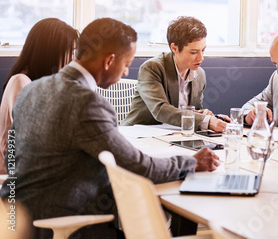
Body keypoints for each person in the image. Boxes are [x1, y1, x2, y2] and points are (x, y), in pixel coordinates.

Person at [0, 18, 220, 238]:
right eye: (126, 64)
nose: (125, 73)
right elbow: (137, 166)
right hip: (62, 223)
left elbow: (13, 154)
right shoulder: (87, 102)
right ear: (109, 61)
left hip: (14, 216)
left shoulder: (33, 88)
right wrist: (191, 162)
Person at [0, 18, 79, 175]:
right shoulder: (21, 82)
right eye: (70, 52)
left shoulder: (38, 82)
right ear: (50, 51)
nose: (73, 59)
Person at [122, 16, 227, 132]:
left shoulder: (199, 74)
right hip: (139, 133)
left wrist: (206, 116)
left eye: (203, 50)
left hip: (175, 134)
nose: (201, 58)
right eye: (193, 52)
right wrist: (205, 120)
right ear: (174, 48)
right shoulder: (152, 68)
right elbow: (160, 110)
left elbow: (194, 112)